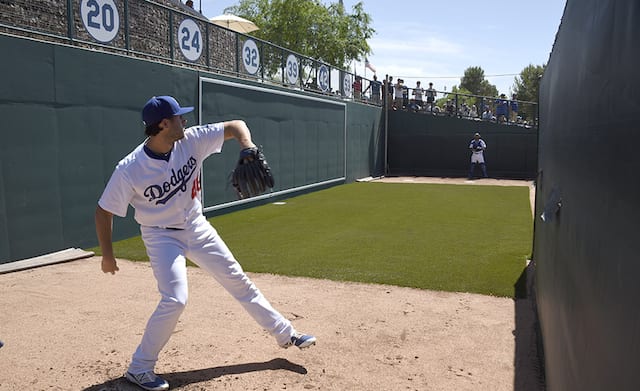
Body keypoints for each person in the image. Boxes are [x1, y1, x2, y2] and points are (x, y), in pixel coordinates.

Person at [95, 95, 316, 391]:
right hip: (161, 235)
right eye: (178, 117)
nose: (184, 120)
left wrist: (247, 145)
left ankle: (285, 333)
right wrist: (107, 255)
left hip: (197, 227)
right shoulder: (130, 168)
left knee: (238, 280)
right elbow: (103, 210)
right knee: (175, 298)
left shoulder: (191, 139)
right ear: (163, 124)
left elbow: (237, 125)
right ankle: (139, 368)